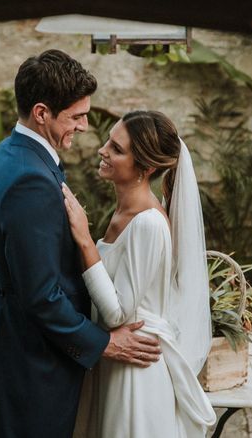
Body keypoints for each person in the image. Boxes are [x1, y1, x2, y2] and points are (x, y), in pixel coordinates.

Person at [0, 50, 163, 438]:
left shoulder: (6, 155)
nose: (86, 126)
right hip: (34, 362)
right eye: (76, 116)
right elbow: (41, 294)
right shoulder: (32, 181)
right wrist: (104, 343)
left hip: (11, 340)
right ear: (41, 112)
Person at [63, 110, 217, 438]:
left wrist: (86, 241)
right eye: (109, 142)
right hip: (115, 359)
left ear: (145, 169)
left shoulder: (147, 224)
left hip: (135, 374)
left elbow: (120, 312)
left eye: (117, 149)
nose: (103, 150)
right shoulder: (123, 212)